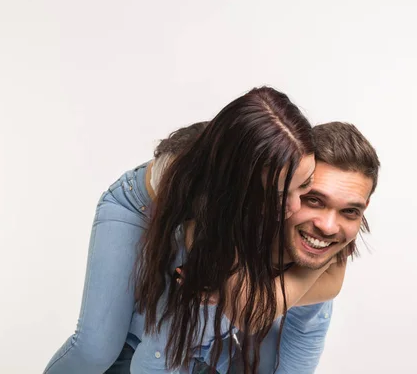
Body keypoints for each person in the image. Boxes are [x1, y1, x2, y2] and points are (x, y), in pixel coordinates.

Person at [43, 86, 341, 374]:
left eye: (304, 185)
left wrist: (319, 257)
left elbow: (328, 282)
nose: (292, 207)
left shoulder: (286, 180)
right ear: (241, 185)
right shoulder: (206, 203)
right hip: (138, 208)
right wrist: (319, 260)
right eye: (276, 194)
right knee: (96, 349)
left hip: (194, 221)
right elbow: (249, 309)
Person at [130, 121, 380, 373]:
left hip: (284, 316)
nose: (328, 226)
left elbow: (258, 313)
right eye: (313, 200)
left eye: (350, 210)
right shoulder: (235, 220)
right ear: (289, 185)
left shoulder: (334, 233)